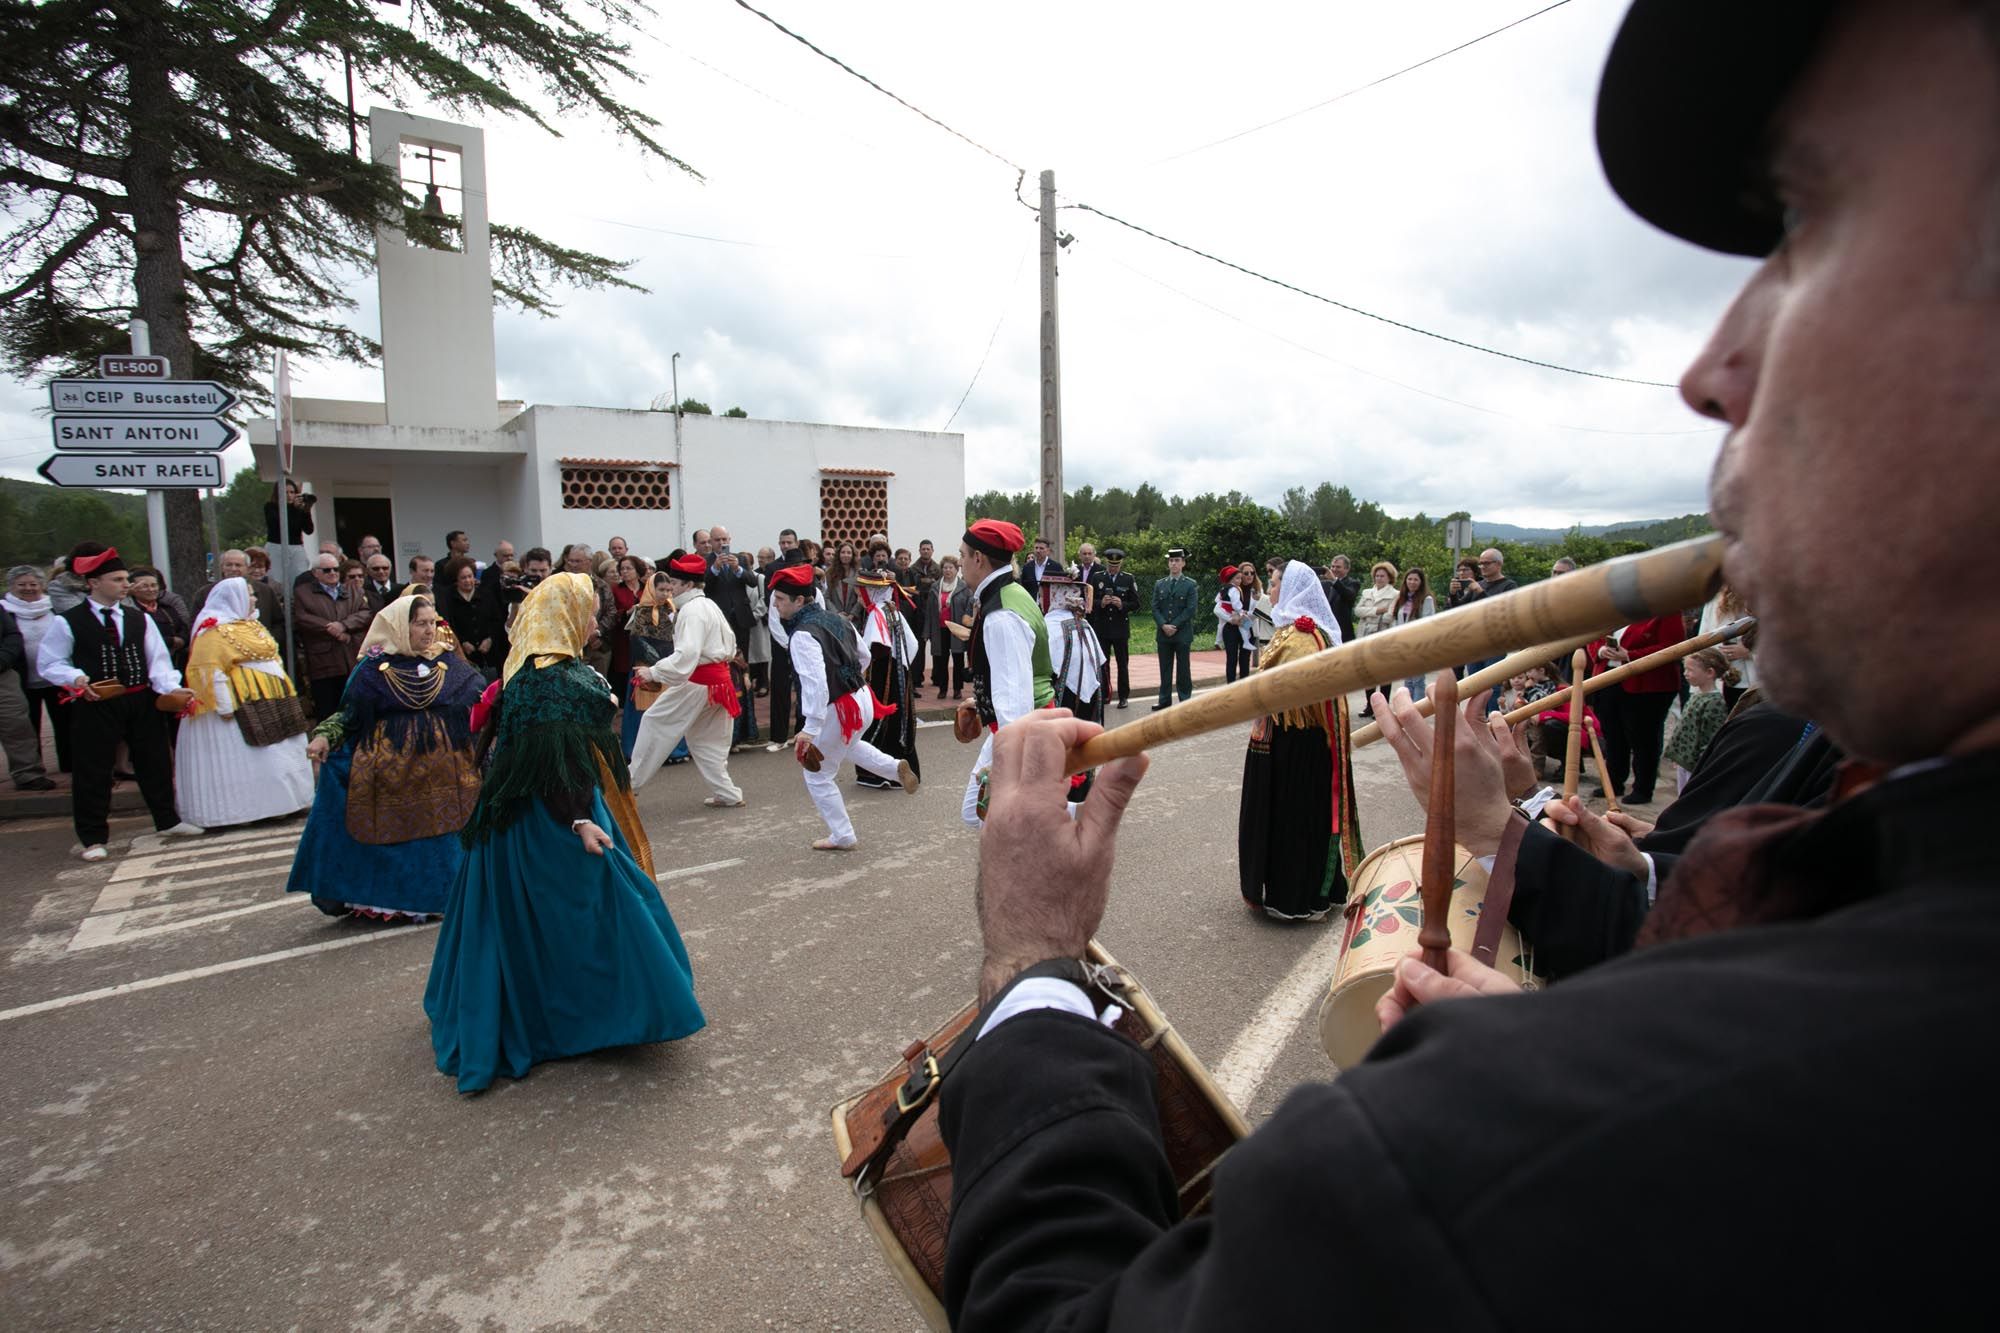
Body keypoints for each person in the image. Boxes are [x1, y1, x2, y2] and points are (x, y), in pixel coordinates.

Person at [942, 4, 2000, 1324]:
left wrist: (1035, 966)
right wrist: (1530, 881)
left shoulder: (1525, 1144)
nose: (1710, 367)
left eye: (1802, 221)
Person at [424, 573, 704, 1093]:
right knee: (594, 905)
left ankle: (561, 1007)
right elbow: (551, 759)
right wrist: (579, 821)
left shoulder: (534, 668)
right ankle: (596, 1016)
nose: (596, 621)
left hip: (532, 809)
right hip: (551, 816)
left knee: (527, 918)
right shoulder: (550, 678)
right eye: (590, 610)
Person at [288, 593, 484, 921]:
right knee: (387, 827)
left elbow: (481, 702)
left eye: (431, 623)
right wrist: (324, 736)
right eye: (420, 624)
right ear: (398, 627)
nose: (428, 631)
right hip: (389, 770)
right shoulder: (373, 670)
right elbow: (349, 715)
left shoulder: (449, 663)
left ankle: (453, 892)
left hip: (446, 772)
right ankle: (392, 898)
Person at [34, 543, 201, 858]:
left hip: (141, 699)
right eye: (119, 580)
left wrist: (170, 688)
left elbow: (158, 660)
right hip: (98, 700)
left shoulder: (138, 619)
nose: (127, 585)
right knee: (93, 767)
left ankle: (167, 819)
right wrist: (75, 678)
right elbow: (50, 662)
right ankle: (93, 837)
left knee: (155, 761)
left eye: (127, 579)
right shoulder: (68, 620)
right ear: (94, 583)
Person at [1235, 559, 1360, 921]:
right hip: (1284, 741)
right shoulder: (1291, 630)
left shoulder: (1304, 639)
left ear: (1292, 590)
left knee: (1293, 820)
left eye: (1274, 584)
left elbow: (1296, 701)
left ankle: (1296, 896)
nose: (1269, 590)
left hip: (1297, 747)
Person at [767, 565, 916, 850]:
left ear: (800, 601)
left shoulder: (801, 634)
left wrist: (810, 728)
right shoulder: (836, 618)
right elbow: (864, 656)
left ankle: (843, 835)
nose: (776, 605)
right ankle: (894, 767)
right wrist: (848, 677)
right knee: (849, 745)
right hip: (860, 698)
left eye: (781, 599)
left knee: (817, 775)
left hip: (838, 707)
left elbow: (815, 684)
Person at [173, 579, 314, 830]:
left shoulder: (252, 625)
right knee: (250, 757)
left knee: (278, 753)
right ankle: (239, 811)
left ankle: (282, 805)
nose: (254, 599)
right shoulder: (212, 630)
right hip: (240, 703)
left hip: (272, 699)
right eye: (249, 595)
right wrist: (224, 705)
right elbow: (209, 670)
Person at [628, 553, 745, 806]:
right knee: (706, 740)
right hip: (717, 683)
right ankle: (727, 793)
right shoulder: (708, 605)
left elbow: (686, 656)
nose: (670, 589)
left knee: (654, 722)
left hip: (699, 682)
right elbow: (731, 643)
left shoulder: (692, 611)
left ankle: (628, 787)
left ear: (689, 585)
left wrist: (653, 672)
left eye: (675, 584)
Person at [956, 519, 1050, 828]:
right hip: (1015, 725)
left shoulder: (1002, 614)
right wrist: (982, 699)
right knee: (975, 812)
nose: (960, 564)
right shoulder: (1010, 593)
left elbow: (1016, 694)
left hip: (1019, 729)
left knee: (995, 819)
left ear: (978, 558)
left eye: (962, 555)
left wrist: (1008, 766)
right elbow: (1013, 675)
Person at [1592, 613, 1686, 804]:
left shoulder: (1667, 610)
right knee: (1613, 734)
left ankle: (1643, 788)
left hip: (1646, 684)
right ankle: (1614, 781)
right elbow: (1593, 635)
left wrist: (1629, 655)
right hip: (1609, 677)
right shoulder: (1614, 607)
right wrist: (1600, 651)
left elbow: (1672, 648)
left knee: (1643, 738)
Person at [854, 568, 921, 790]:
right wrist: (903, 666)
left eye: (860, 592)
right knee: (900, 719)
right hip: (900, 676)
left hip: (882, 679)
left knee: (879, 721)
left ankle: (881, 773)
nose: (859, 596)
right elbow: (913, 645)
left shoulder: (877, 614)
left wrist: (864, 673)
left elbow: (872, 651)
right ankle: (902, 769)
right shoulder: (893, 610)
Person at [6, 565, 69, 775]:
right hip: (22, 679)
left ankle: (68, 763)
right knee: (27, 726)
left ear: (42, 586)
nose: (28, 588)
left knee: (64, 722)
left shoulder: (54, 608)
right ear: (11, 586)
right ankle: (35, 766)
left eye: (33, 584)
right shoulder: (5, 610)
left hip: (55, 679)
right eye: (21, 584)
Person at [294, 549, 371, 720]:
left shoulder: (352, 591)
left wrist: (343, 625)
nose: (333, 573)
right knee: (327, 712)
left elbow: (365, 614)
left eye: (336, 569)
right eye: (327, 570)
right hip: (324, 663)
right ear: (315, 573)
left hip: (350, 658)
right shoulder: (303, 593)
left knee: (353, 709)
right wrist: (332, 629)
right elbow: (303, 619)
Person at [1664, 648, 1737, 793]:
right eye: (1685, 669)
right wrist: (1677, 754)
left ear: (1710, 673)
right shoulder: (1696, 695)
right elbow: (1684, 727)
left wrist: (1703, 764)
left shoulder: (1715, 702)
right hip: (1685, 761)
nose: (1685, 674)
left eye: (1690, 670)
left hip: (1696, 765)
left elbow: (1711, 737)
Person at [0, 602, 54, 790]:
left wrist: (4, 658)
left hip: (3, 676)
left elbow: (12, 635)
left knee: (17, 725)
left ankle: (28, 773)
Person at [1086, 548, 1138, 709]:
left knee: (1122, 664)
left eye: (1116, 566)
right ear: (1107, 563)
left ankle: (1123, 696)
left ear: (1120, 564)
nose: (1113, 568)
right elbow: (1089, 601)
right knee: (1103, 663)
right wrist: (1100, 603)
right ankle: (1105, 694)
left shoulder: (1128, 579)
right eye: (1110, 565)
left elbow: (1136, 603)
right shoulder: (1097, 577)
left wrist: (1122, 604)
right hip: (1102, 628)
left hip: (1120, 628)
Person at [1149, 548, 1197, 710]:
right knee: (1165, 669)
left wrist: (1174, 625)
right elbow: (1155, 608)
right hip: (1163, 634)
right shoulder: (1160, 584)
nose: (1174, 564)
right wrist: (1163, 625)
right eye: (1171, 561)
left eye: (1177, 561)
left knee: (1183, 669)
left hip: (1182, 633)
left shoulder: (1190, 585)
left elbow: (1190, 609)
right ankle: (1164, 700)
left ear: (1183, 563)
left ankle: (1185, 700)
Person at [1352, 560, 1400, 719]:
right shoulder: (1367, 593)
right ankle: (1370, 705)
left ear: (1389, 577)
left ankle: (1383, 706)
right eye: (1377, 575)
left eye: (1382, 576)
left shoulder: (1395, 594)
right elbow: (1357, 611)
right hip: (1365, 634)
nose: (1379, 578)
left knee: (1384, 672)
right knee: (1367, 672)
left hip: (1383, 635)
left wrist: (1370, 612)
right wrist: (1376, 610)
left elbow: (1388, 616)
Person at [437, 556, 496, 676]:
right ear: (456, 580)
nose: (468, 581)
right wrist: (462, 642)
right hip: (462, 656)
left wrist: (490, 638)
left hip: (488, 656)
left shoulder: (486, 594)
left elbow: (496, 619)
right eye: (463, 578)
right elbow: (448, 623)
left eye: (470, 576)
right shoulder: (448, 599)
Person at [1391, 566, 1435, 700]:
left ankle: (1418, 709)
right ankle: (1408, 706)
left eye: (1416, 579)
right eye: (1409, 579)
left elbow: (1428, 622)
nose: (1412, 582)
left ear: (1421, 582)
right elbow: (1396, 620)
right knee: (1408, 679)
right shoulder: (1402, 599)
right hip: (1404, 644)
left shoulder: (1426, 600)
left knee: (1418, 680)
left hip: (1418, 644)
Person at [263, 479, 316, 588]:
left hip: (295, 547)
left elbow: (309, 530)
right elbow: (279, 525)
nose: (289, 495)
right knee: (276, 580)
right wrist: (292, 508)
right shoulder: (270, 507)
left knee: (300, 578)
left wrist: (306, 510)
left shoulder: (298, 509)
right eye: (285, 492)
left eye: (292, 492)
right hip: (276, 546)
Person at [907, 538, 942, 696]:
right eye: (923, 549)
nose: (926, 551)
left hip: (934, 611)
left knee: (937, 644)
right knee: (919, 646)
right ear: (919, 551)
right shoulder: (913, 569)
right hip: (918, 611)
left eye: (928, 549)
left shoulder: (938, 569)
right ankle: (917, 677)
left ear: (932, 551)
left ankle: (937, 676)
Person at [935, 555, 970, 701]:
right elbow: (931, 610)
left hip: (956, 628)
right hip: (941, 628)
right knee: (941, 660)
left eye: (951, 568)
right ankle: (942, 689)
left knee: (958, 659)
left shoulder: (964, 587)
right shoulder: (936, 586)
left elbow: (969, 606)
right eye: (945, 567)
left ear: (956, 570)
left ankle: (957, 689)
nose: (947, 570)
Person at [1213, 564, 1253, 684]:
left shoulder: (1256, 591)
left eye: (1252, 573)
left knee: (1244, 658)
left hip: (1242, 621)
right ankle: (1231, 684)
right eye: (1245, 574)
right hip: (1231, 623)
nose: (1248, 576)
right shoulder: (1234, 589)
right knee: (1232, 657)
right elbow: (1218, 607)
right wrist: (1232, 617)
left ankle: (1242, 684)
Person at [1321, 553, 1360, 645]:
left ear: (1347, 569)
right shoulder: (1325, 583)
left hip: (1342, 630)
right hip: (1326, 629)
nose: (1334, 569)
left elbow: (1349, 595)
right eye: (1332, 566)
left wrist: (1334, 581)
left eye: (1338, 567)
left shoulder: (1353, 583)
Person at [1019, 536, 1060, 601]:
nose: (1038, 551)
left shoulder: (1056, 567)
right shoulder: (1027, 568)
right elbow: (1023, 588)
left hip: (1050, 605)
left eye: (1041, 548)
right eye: (1036, 548)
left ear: (1048, 550)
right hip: (1031, 604)